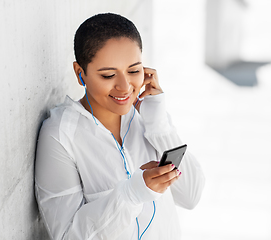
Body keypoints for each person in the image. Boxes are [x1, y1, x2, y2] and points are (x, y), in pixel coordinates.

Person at [35, 13, 205, 240]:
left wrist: (159, 123)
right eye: (108, 75)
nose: (125, 87)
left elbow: (191, 196)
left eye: (134, 71)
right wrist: (132, 193)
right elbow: (67, 236)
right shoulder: (60, 134)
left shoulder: (148, 116)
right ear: (80, 73)